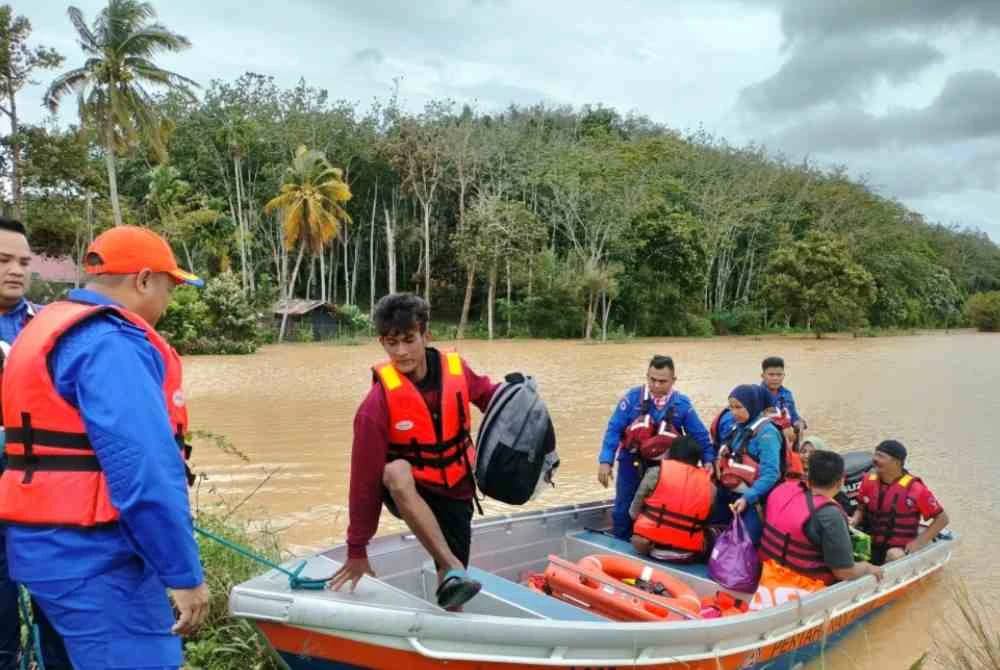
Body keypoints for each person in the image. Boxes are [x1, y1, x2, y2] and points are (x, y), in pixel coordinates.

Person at [0, 226, 210, 669]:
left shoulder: (44, 327)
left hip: (45, 550)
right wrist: (183, 574)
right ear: (144, 280)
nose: (168, 301)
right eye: (169, 287)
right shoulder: (111, 343)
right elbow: (146, 471)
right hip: (96, 560)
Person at [331, 293, 499, 609]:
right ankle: (450, 566)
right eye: (392, 343)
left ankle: (450, 599)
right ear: (382, 343)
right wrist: (357, 548)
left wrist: (519, 395)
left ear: (426, 335)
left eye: (409, 340)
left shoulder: (456, 369)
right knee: (395, 471)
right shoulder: (375, 406)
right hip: (409, 489)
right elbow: (363, 482)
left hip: (456, 487)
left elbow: (492, 398)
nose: (402, 351)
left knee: (454, 592)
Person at [0, 217, 70, 670]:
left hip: (46, 496)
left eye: (24, 261)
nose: (16, 270)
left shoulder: (51, 326)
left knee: (60, 615)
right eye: (3, 260)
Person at [597, 355, 713, 540]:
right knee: (623, 510)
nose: (657, 385)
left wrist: (708, 460)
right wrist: (605, 460)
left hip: (664, 469)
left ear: (673, 380)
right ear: (647, 376)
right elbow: (614, 429)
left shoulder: (682, 405)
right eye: (652, 380)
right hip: (631, 462)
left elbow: (700, 436)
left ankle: (652, 545)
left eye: (662, 381)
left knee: (659, 511)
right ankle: (621, 544)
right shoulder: (631, 399)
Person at [752, 451, 883, 610]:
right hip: (803, 586)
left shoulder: (782, 489)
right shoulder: (829, 514)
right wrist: (869, 568)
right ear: (840, 481)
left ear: (808, 475)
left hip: (766, 572)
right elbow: (843, 572)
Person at [857, 440, 950, 565]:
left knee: (894, 555)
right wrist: (854, 520)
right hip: (871, 541)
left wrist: (918, 542)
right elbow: (860, 508)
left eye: (881, 456)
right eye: (875, 454)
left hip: (899, 547)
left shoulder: (916, 489)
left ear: (897, 462)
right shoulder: (868, 480)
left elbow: (942, 519)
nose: (874, 459)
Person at [711, 384, 782, 544]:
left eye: (739, 407)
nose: (734, 412)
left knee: (746, 542)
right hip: (728, 493)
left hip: (753, 499)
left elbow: (771, 474)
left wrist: (747, 498)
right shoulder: (737, 428)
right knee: (712, 528)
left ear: (752, 406)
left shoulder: (767, 433)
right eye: (731, 407)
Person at [629, 436, 715, 562]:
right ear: (697, 459)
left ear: (670, 453)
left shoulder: (655, 473)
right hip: (689, 553)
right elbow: (705, 521)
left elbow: (633, 512)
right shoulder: (711, 487)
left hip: (648, 547)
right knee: (713, 533)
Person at [799, 435, 861, 525]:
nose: (807, 456)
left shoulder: (829, 478)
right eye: (803, 451)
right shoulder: (794, 475)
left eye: (812, 453)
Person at [760, 356, 806, 445]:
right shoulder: (756, 394)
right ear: (763, 376)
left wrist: (799, 423)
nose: (775, 378)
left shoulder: (787, 394)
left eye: (779, 375)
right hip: (766, 439)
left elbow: (793, 416)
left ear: (784, 375)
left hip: (788, 441)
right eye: (771, 375)